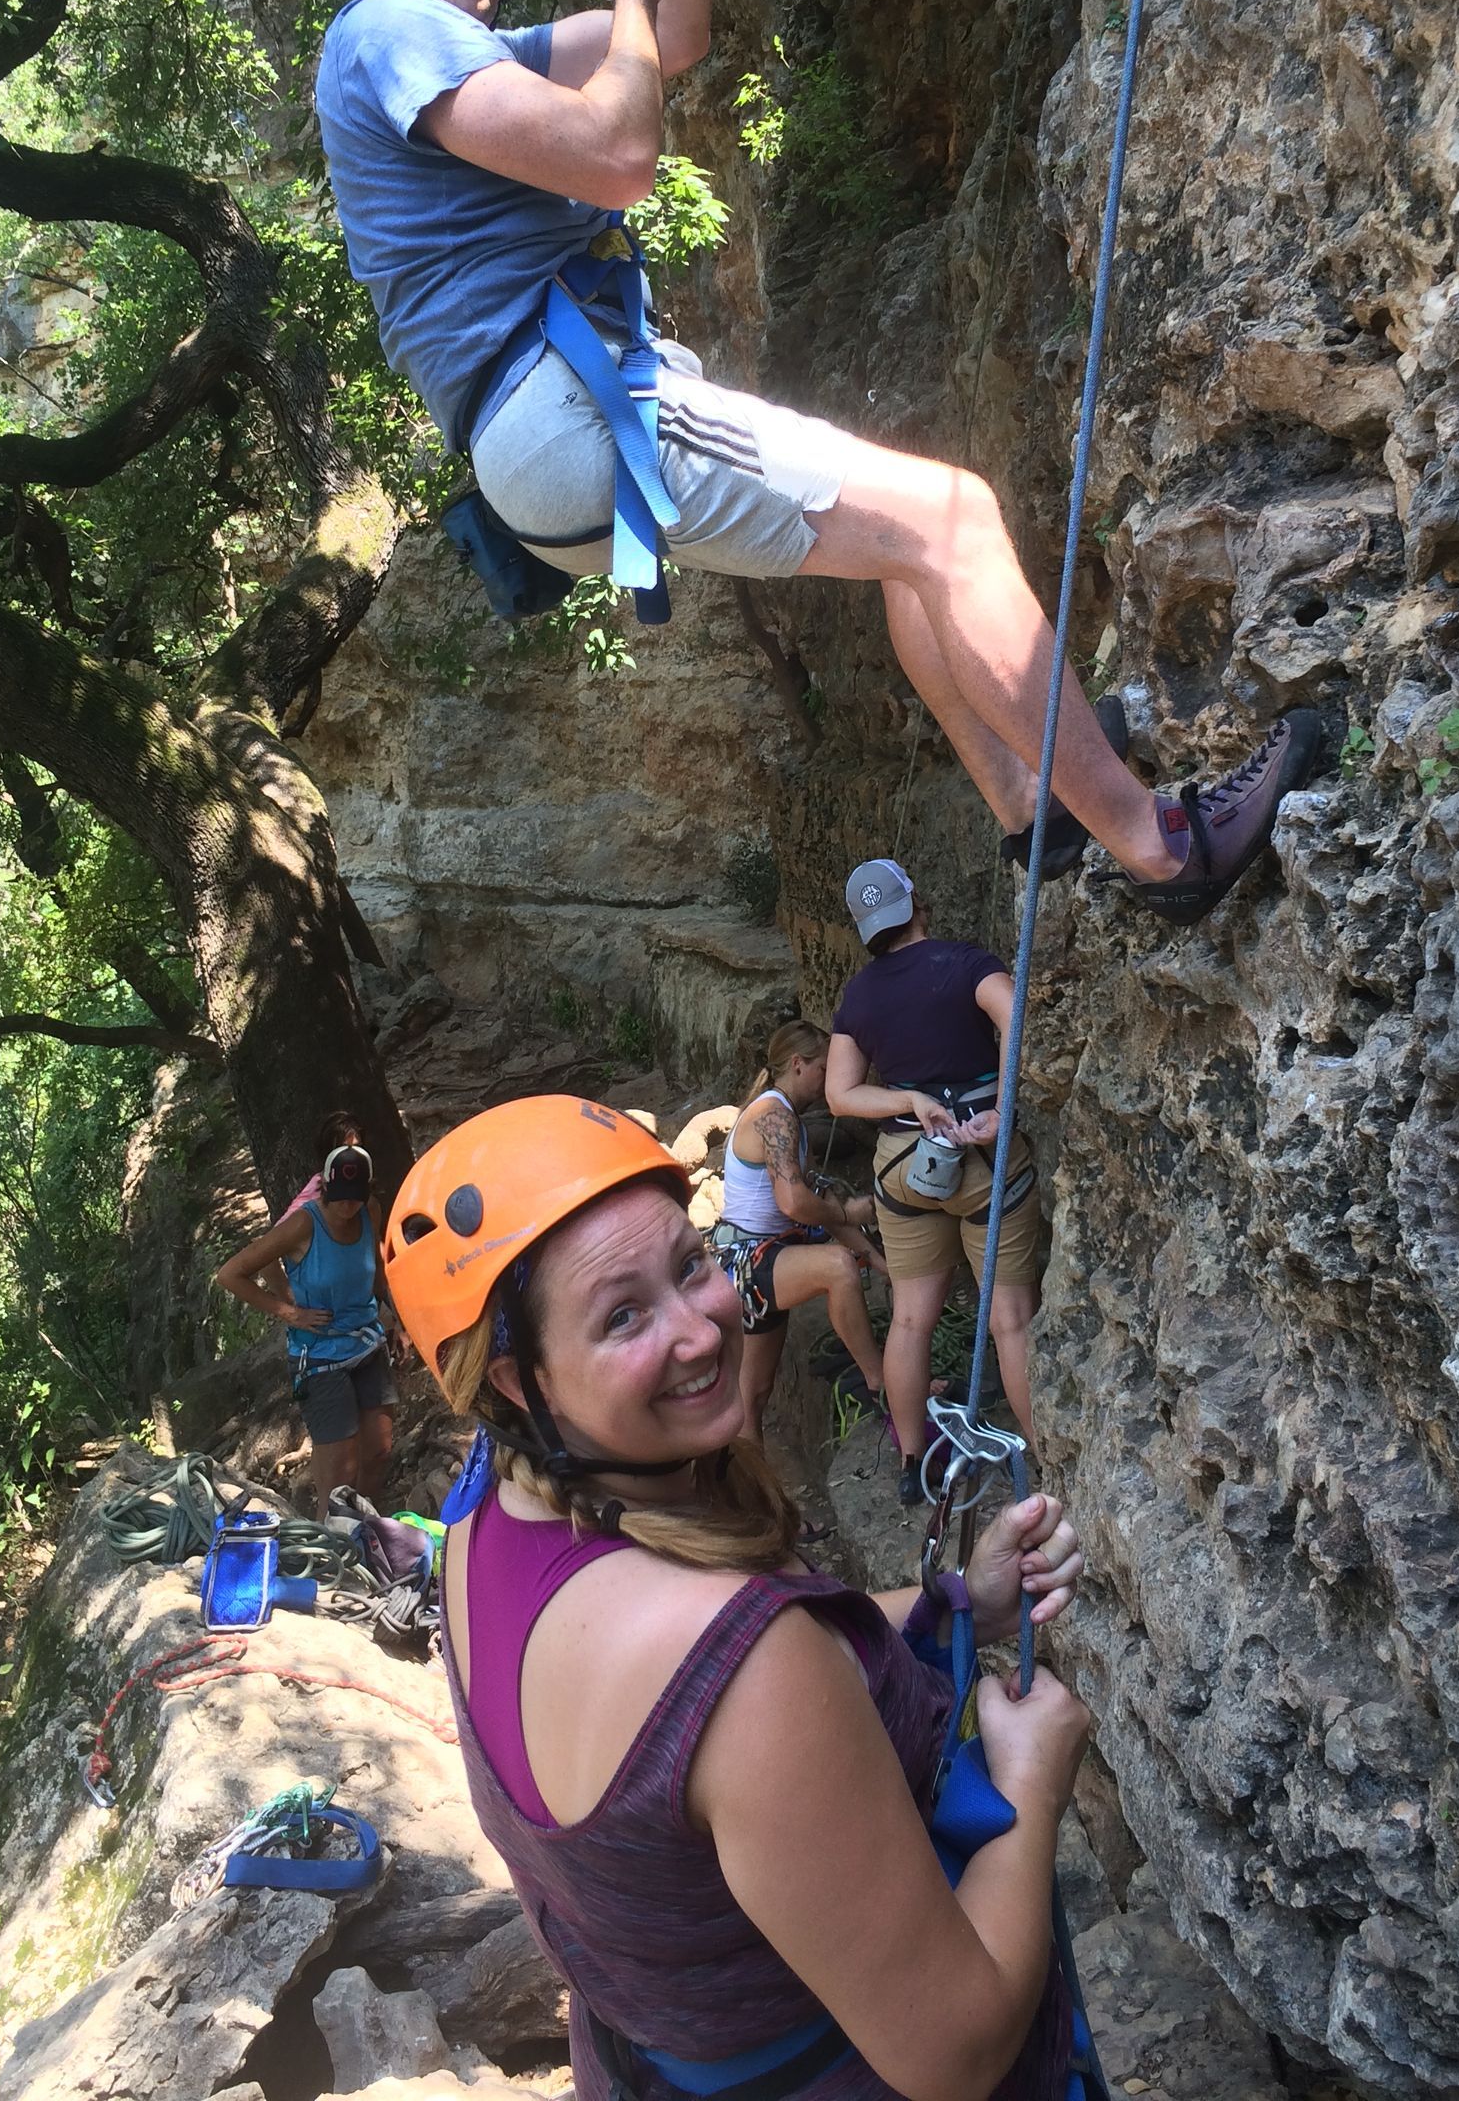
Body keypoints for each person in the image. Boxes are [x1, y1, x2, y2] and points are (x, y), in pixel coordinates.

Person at [314, 0, 1322, 926]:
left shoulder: (475, 51)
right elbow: (624, 150)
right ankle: (1162, 845)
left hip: (558, 426)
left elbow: (673, 34)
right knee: (954, 522)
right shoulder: (386, 35)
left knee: (918, 561)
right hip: (571, 408)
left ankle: (1031, 804)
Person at [383, 1096, 1092, 2101]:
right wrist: (1032, 1782)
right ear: (516, 1378)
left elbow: (699, 1759)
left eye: (691, 1263)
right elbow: (956, 2052)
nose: (703, 1327)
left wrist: (947, 1608)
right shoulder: (747, 1671)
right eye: (623, 1315)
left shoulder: (476, 1531)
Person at [825, 860, 1042, 1510]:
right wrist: (1002, 1105)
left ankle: (912, 1461)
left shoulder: (859, 997)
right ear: (916, 901)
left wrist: (910, 1097)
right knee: (1009, 1320)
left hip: (905, 1164)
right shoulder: (967, 964)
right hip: (983, 1157)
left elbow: (839, 1094)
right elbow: (1017, 1014)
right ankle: (1043, 1459)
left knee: (912, 1319)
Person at [713, 1019, 886, 1442]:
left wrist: (881, 1263)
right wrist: (849, 1216)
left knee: (753, 1395)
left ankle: (753, 1500)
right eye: (824, 1068)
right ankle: (881, 1381)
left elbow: (818, 1208)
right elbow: (795, 1203)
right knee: (838, 1268)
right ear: (797, 1065)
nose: (831, 1079)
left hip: (756, 1258)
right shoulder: (775, 1117)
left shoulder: (783, 1115)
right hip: (749, 1262)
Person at [216, 1143, 400, 1517]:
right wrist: (287, 1310)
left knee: (379, 1449)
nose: (348, 1208)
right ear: (325, 1190)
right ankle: (332, 1546)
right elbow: (232, 1273)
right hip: (319, 1356)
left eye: (355, 1199)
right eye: (340, 1200)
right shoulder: (304, 1223)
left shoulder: (371, 1211)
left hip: (366, 1342)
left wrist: (396, 1314)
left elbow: (377, 1267)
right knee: (339, 1471)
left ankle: (364, 1528)